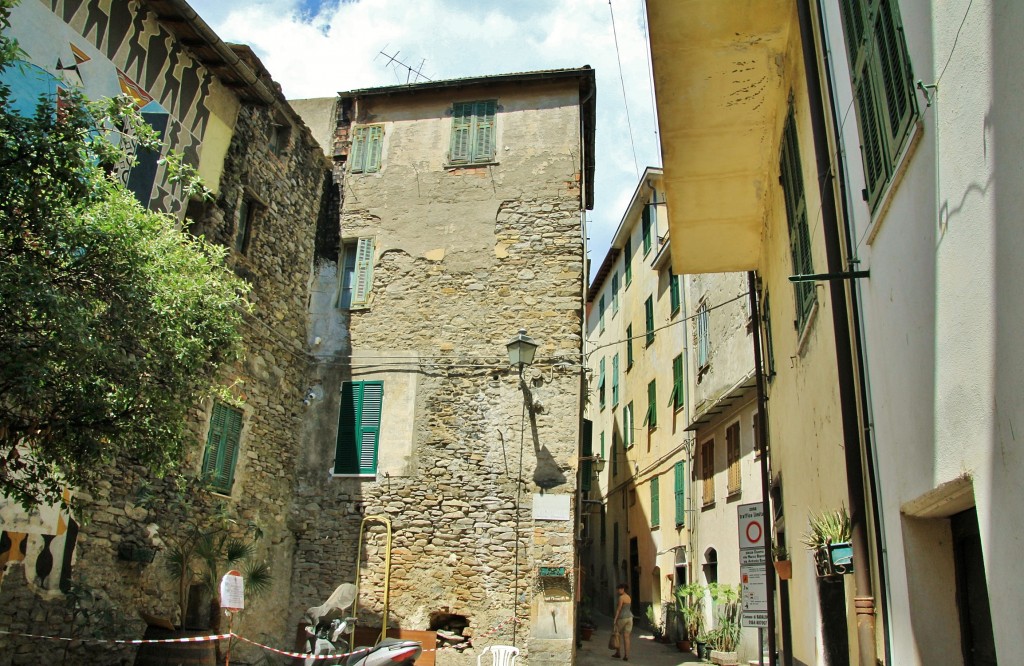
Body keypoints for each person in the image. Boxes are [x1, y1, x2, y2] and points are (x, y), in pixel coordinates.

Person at [611, 583, 633, 661]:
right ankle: (626, 656)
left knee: (617, 634)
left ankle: (618, 653)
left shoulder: (621, 598)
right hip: (630, 617)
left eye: (620, 589)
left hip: (622, 618)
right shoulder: (629, 597)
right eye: (618, 589)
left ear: (623, 589)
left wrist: (615, 619)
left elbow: (619, 609)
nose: (618, 590)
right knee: (627, 637)